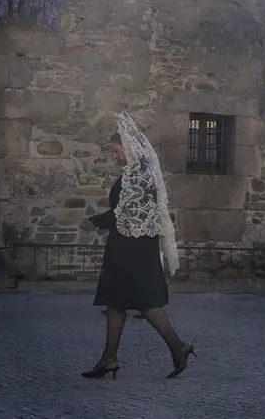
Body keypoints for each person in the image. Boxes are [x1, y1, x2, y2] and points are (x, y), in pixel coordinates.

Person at [82, 112, 195, 379]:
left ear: (128, 146)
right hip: (127, 245)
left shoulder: (139, 174)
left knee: (144, 304)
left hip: (133, 248)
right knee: (116, 302)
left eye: (116, 149)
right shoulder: (135, 171)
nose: (114, 155)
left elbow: (126, 211)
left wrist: (96, 220)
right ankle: (109, 358)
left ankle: (178, 347)